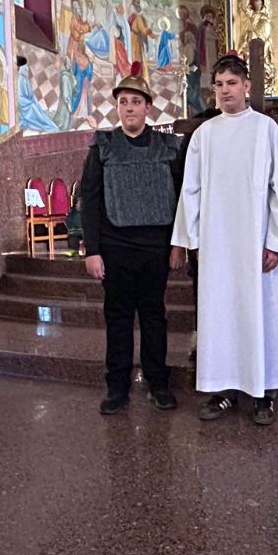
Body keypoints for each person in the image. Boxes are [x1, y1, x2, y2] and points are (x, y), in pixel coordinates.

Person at [172, 47, 278, 425]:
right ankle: (223, 389)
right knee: (220, 316)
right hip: (217, 245)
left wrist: (276, 241)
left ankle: (264, 394)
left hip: (256, 244)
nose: (225, 90)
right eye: (219, 84)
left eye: (232, 83)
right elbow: (190, 190)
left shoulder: (265, 129)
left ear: (247, 86)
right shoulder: (204, 134)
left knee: (260, 314)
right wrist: (191, 241)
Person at [79, 64, 182, 415]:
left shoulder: (168, 147)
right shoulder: (103, 147)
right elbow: (90, 199)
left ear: (148, 107)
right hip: (115, 246)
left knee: (154, 316)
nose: (129, 108)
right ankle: (117, 387)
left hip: (156, 246)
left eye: (136, 102)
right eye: (123, 102)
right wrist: (92, 250)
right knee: (118, 317)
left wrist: (178, 243)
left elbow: (182, 199)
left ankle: (158, 383)